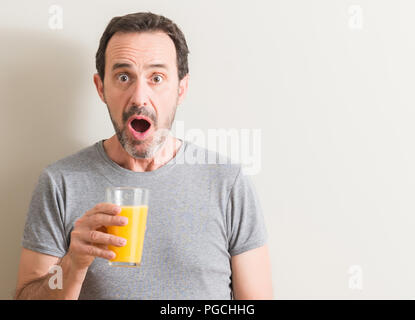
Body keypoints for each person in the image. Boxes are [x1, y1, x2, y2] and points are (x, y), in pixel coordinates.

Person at [14, 12, 273, 300]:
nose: (139, 96)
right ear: (101, 88)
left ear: (181, 89)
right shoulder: (60, 182)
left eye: (157, 77)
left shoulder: (227, 182)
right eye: (123, 77)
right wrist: (72, 265)